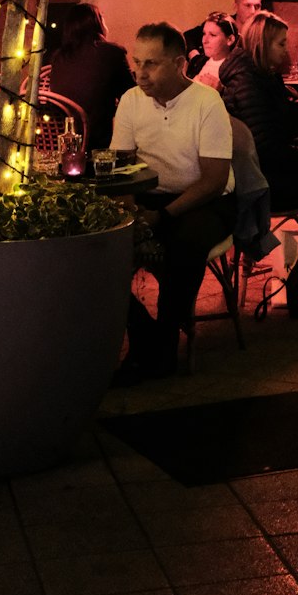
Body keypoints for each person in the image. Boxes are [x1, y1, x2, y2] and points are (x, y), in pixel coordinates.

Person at [111, 21, 235, 384]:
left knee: (183, 243)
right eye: (136, 62)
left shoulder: (205, 102)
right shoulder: (132, 101)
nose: (140, 73)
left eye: (151, 63)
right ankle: (146, 333)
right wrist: (132, 215)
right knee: (101, 251)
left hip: (205, 200)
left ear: (180, 63)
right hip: (150, 195)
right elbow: (121, 170)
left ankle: (161, 346)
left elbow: (213, 181)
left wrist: (158, 218)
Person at [218, 10, 298, 210]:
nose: (286, 50)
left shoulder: (260, 74)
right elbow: (266, 148)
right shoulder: (247, 83)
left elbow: (284, 110)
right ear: (262, 45)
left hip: (265, 168)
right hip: (260, 178)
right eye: (281, 44)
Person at [46, 2, 134, 152]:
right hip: (96, 142)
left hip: (61, 141)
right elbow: (132, 95)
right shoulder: (111, 53)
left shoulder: (58, 57)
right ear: (98, 23)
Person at [187, 11, 239, 89]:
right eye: (204, 34)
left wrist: (221, 90)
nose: (205, 40)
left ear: (230, 39)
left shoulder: (236, 70)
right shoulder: (198, 62)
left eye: (213, 35)